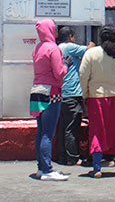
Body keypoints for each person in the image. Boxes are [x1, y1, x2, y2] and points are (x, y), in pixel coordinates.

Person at [79, 25, 115, 178]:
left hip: (97, 98)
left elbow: (83, 75)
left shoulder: (91, 53)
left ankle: (97, 169)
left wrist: (85, 95)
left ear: (100, 38)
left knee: (96, 131)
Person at [30, 18, 69, 181]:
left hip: (37, 91)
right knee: (48, 133)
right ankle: (47, 170)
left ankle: (41, 167)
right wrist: (66, 64)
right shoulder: (53, 48)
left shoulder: (37, 48)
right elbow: (59, 73)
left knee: (41, 132)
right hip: (51, 92)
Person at [57, 26, 94, 166]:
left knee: (63, 126)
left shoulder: (58, 48)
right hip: (72, 93)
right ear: (70, 37)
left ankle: (62, 156)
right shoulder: (70, 47)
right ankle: (72, 157)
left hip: (61, 93)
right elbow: (91, 50)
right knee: (72, 128)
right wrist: (91, 44)